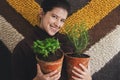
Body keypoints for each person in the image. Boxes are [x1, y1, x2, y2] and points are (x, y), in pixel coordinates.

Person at [12, 0, 92, 80]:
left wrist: (88, 78)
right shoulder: (23, 47)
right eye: (54, 16)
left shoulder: (68, 42)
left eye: (62, 20)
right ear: (42, 13)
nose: (57, 24)